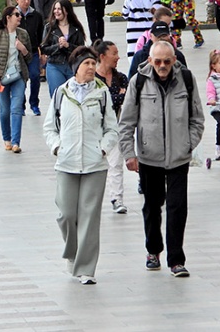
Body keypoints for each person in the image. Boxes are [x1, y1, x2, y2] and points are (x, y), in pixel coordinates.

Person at [118, 41, 204, 277]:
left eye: (167, 61)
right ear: (150, 61)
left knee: (177, 207)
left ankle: (176, 259)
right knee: (153, 207)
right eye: (158, 61)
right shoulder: (139, 81)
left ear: (174, 60)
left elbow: (197, 118)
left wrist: (188, 143)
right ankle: (153, 250)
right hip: (149, 157)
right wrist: (129, 154)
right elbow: (126, 122)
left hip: (178, 157)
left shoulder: (186, 79)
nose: (163, 66)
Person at [42, 46, 119, 285]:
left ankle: (85, 268)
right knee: (66, 214)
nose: (91, 68)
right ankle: (73, 253)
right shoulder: (62, 93)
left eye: (93, 64)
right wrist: (57, 147)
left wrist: (103, 148)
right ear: (76, 67)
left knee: (89, 216)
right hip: (66, 163)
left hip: (95, 165)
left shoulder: (102, 93)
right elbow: (49, 127)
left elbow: (112, 128)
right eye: (86, 64)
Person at [0, 6, 33, 153]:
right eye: (16, 15)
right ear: (8, 17)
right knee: (4, 110)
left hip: (18, 76)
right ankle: (6, 139)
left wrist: (23, 49)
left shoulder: (23, 34)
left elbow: (29, 58)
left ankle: (15, 142)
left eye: (19, 15)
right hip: (1, 77)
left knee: (16, 108)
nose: (19, 17)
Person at [93, 40, 128, 214]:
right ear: (102, 56)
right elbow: (100, 103)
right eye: (114, 53)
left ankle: (117, 199)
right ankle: (92, 200)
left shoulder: (121, 78)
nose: (118, 57)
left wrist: (118, 97)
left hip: (114, 127)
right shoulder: (92, 79)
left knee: (116, 163)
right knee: (95, 166)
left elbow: (127, 100)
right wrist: (117, 96)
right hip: (94, 129)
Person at [41, 0, 86, 96]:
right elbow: (44, 48)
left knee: (74, 96)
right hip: (55, 65)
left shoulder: (76, 28)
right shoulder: (49, 27)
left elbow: (82, 49)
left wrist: (68, 46)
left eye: (59, 9)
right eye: (55, 9)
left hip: (72, 66)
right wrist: (58, 46)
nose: (56, 11)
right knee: (58, 95)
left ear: (67, 11)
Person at [15, 0, 45, 116]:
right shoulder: (13, 15)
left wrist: (42, 53)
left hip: (32, 52)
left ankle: (34, 103)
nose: (26, 2)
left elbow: (41, 36)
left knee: (35, 76)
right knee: (21, 80)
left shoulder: (36, 15)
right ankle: (20, 105)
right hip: (17, 55)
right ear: (17, 0)